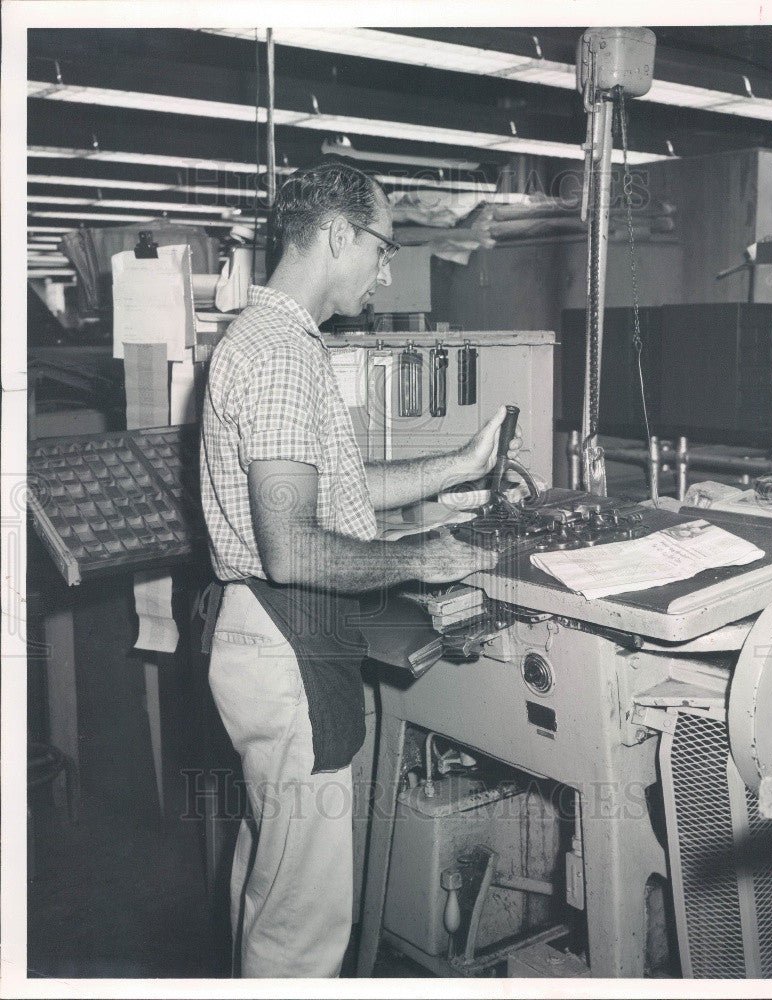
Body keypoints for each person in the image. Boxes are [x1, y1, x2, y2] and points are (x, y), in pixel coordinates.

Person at [199, 160, 522, 978]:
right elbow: (292, 546)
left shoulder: (281, 342)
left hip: (278, 634)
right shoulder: (276, 353)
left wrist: (455, 465)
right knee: (303, 925)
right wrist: (422, 555)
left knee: (275, 886)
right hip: (285, 638)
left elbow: (336, 491)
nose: (386, 270)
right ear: (336, 234)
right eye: (380, 247)